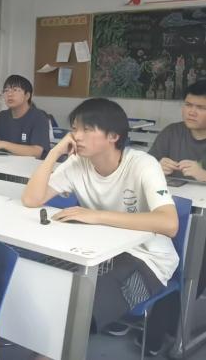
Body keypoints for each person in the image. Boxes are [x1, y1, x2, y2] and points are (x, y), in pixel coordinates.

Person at [22, 98, 179, 353]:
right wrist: (54, 153)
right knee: (41, 278)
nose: (77, 136)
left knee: (80, 307)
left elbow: (169, 223)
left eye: (87, 129)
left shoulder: (142, 164)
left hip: (148, 260)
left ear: (113, 136)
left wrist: (98, 215)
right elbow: (31, 199)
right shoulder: (77, 163)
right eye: (75, 129)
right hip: (97, 252)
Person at [145, 80, 206, 354]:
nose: (191, 111)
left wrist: (204, 174)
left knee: (192, 263)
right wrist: (156, 166)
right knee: (156, 254)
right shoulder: (172, 132)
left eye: (200, 107)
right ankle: (153, 323)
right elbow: (145, 166)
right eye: (188, 105)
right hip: (172, 214)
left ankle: (167, 328)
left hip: (201, 221)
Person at [0, 75, 50, 158]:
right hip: (5, 163)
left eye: (15, 90)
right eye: (6, 90)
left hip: (33, 165)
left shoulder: (39, 117)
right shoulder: (1, 116)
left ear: (27, 96)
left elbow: (37, 152)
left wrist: (2, 144)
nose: (9, 94)